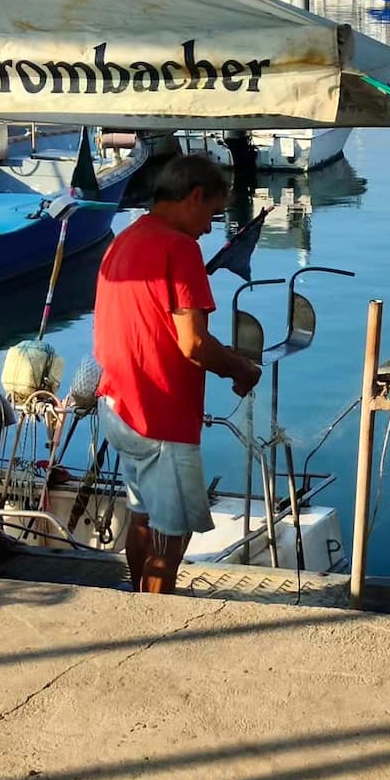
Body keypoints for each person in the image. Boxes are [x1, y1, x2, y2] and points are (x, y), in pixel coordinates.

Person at [94, 154, 261, 593]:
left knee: (143, 518)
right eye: (211, 214)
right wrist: (240, 368)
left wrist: (221, 355)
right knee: (173, 535)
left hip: (117, 405)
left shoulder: (123, 240)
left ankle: (137, 599)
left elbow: (154, 327)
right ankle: (154, 622)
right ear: (194, 197)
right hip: (159, 415)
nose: (209, 228)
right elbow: (192, 343)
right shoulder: (180, 247)